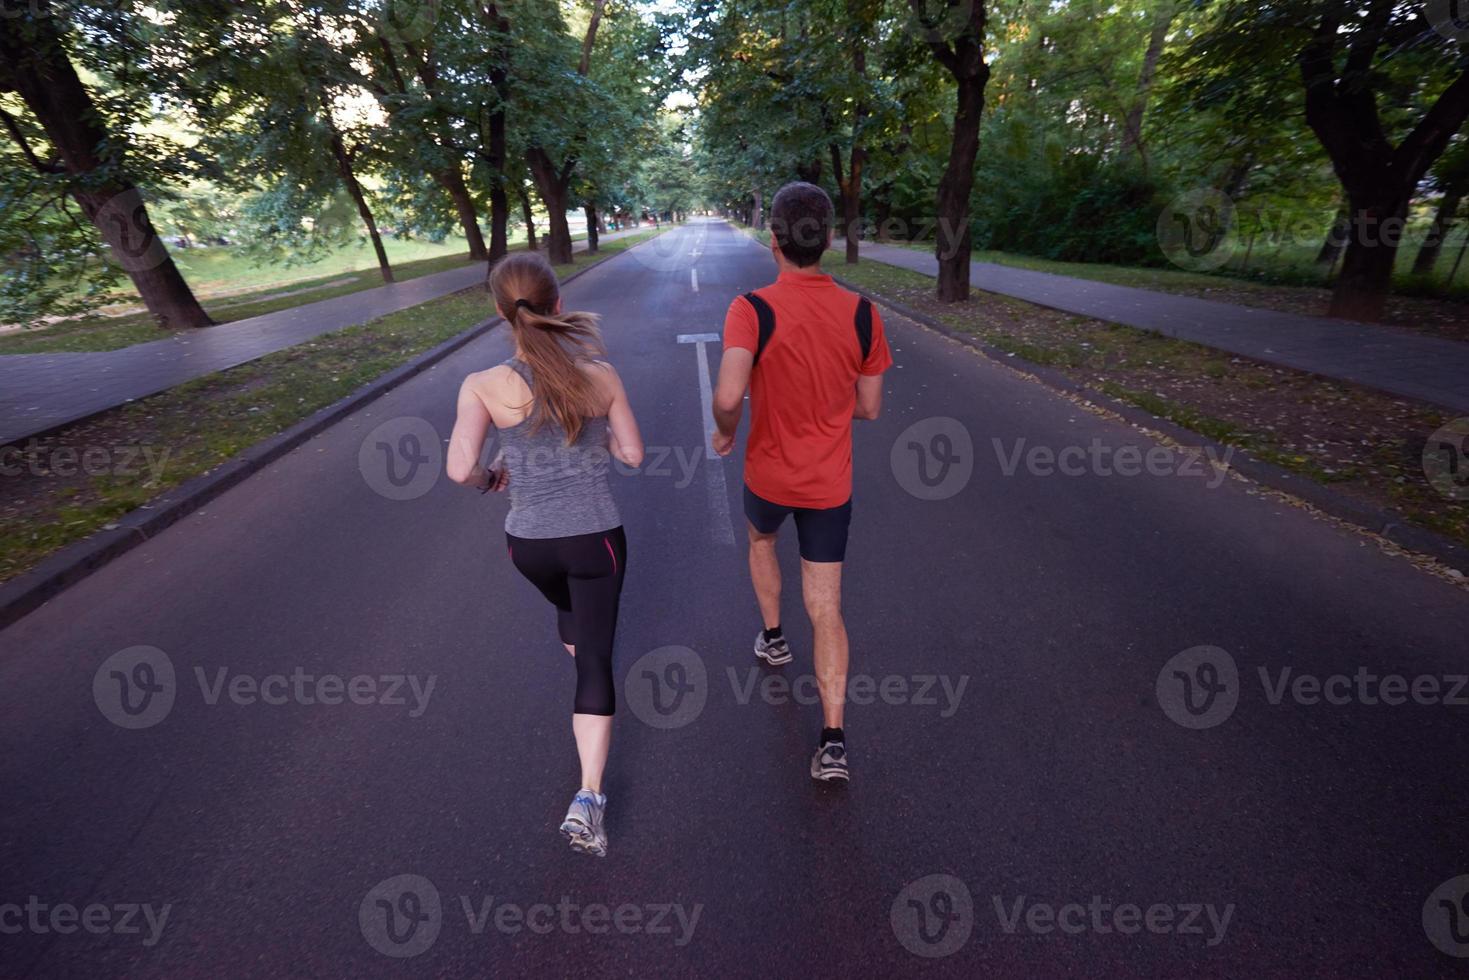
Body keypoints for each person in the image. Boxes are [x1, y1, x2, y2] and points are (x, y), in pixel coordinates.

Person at [447, 251, 644, 857]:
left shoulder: (482, 385)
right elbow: (634, 456)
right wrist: (603, 436)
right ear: (558, 306)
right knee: (595, 663)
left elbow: (459, 470)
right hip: (594, 542)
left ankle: (585, 677)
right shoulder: (600, 375)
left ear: (502, 314)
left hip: (528, 547)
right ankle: (589, 796)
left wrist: (493, 479)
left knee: (572, 621)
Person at [711, 181, 893, 783]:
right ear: (830, 240)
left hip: (769, 477)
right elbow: (869, 409)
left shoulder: (751, 309)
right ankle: (834, 740)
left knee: (761, 542)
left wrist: (725, 431)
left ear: (774, 241)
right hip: (829, 487)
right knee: (828, 607)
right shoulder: (864, 315)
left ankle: (772, 637)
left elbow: (727, 394)